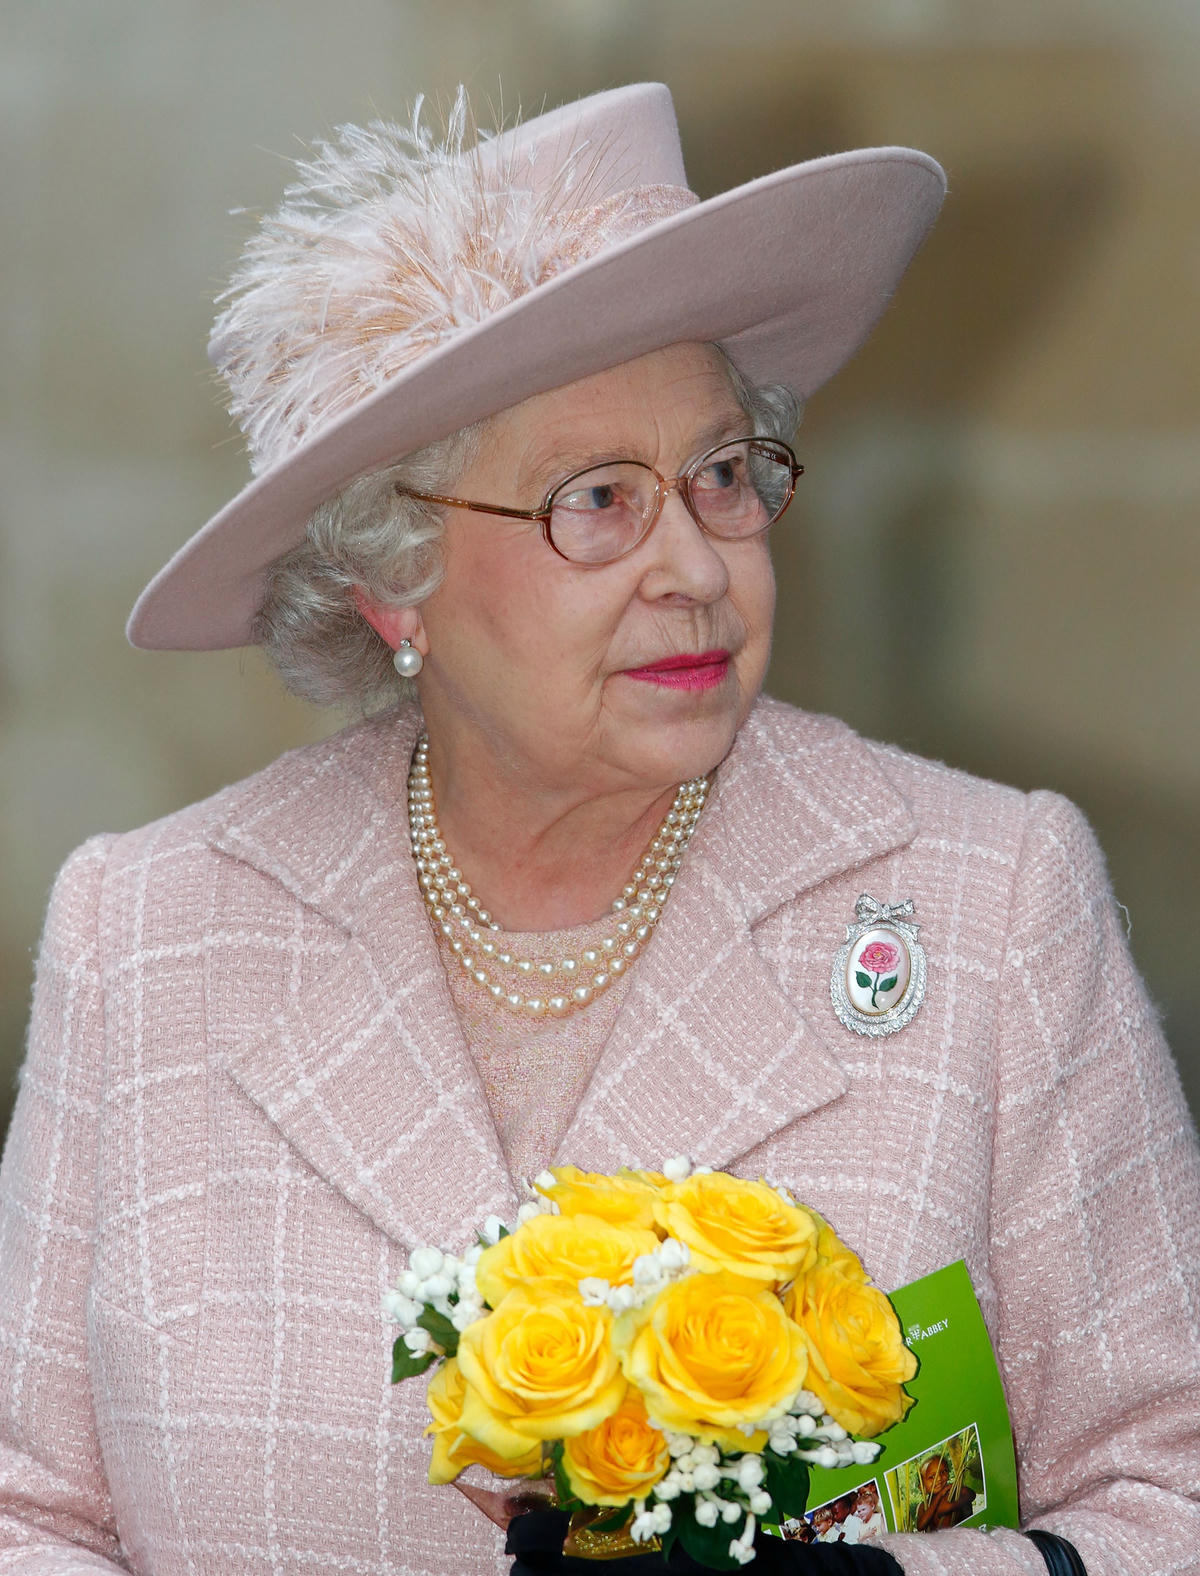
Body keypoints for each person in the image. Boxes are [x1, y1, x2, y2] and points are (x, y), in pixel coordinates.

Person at [1, 80, 1198, 1576]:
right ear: (396, 583)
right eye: (597, 502)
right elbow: (28, 1507)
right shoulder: (150, 930)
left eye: (721, 475)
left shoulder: (989, 898)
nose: (696, 565)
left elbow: (1172, 1484)